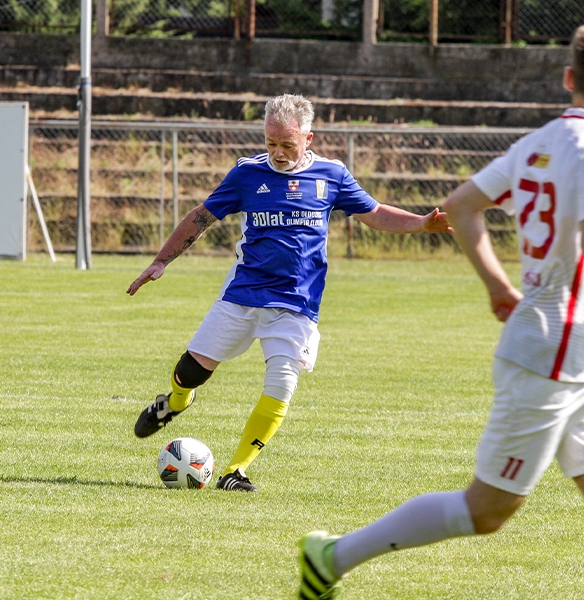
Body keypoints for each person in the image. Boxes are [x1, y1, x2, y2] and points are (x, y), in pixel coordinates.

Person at [297, 13, 584, 600]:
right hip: (550, 358)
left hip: (575, 358)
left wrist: (496, 285)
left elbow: (460, 205)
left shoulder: (539, 142)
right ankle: (330, 557)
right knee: (486, 512)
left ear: (568, 77)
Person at [126, 93, 450, 492]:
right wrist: (162, 260)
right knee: (190, 372)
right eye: (271, 143)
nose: (278, 153)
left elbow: (375, 213)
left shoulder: (332, 175)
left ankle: (236, 470)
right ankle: (175, 402)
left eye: (287, 145)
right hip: (244, 292)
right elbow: (202, 216)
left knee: (281, 383)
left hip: (297, 304)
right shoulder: (246, 174)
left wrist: (420, 223)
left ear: (308, 139)